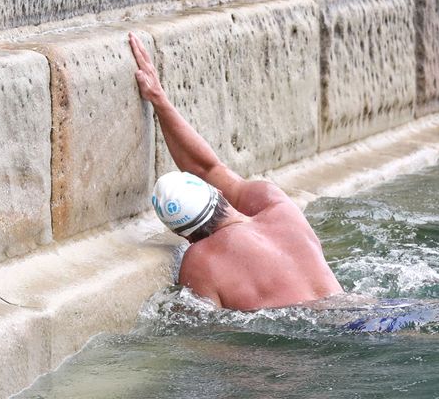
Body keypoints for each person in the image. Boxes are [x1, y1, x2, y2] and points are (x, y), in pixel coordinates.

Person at [128, 32, 344, 311]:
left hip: (317, 341)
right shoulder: (277, 207)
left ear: (184, 236)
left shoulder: (200, 260)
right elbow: (208, 167)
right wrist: (158, 97)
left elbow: (208, 341)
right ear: (218, 193)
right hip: (364, 311)